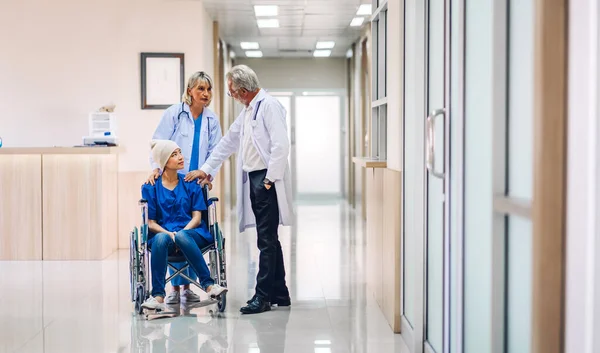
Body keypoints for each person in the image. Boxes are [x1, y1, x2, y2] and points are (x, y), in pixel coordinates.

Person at [196, 65, 294, 314]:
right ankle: (280, 294)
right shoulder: (250, 110)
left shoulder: (269, 106)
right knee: (269, 238)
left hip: (265, 179)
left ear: (242, 90)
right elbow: (228, 141)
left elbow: (281, 145)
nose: (231, 96)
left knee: (266, 240)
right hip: (256, 178)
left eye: (231, 92)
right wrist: (207, 168)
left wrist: (270, 180)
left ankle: (262, 297)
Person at [147, 71, 222, 305]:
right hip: (171, 177)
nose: (206, 94)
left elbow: (216, 151)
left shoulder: (211, 120)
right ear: (189, 90)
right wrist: (157, 169)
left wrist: (208, 174)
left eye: (209, 90)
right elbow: (158, 143)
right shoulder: (174, 113)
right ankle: (176, 288)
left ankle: (187, 287)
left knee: (186, 227)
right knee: (171, 224)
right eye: (200, 89)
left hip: (196, 183)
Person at [141, 139, 227, 311]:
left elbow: (197, 218)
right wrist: (169, 234)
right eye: (174, 154)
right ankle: (158, 295)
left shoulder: (190, 183)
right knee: (160, 239)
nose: (181, 157)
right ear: (164, 161)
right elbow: (150, 223)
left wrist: (180, 234)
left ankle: (209, 286)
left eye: (180, 152)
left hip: (193, 233)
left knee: (182, 235)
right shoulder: (150, 187)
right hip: (163, 234)